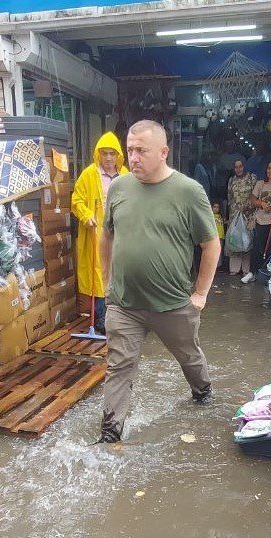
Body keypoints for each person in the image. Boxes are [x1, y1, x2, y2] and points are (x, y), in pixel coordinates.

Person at [97, 120, 220, 444]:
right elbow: (106, 236)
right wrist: (107, 283)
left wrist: (200, 294)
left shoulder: (188, 192)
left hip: (173, 303)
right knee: (119, 366)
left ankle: (203, 392)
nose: (133, 157)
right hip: (125, 304)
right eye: (130, 150)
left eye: (141, 151)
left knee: (189, 356)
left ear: (163, 152)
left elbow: (211, 244)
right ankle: (110, 433)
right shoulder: (119, 188)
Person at [72, 132, 128, 329]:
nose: (109, 158)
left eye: (112, 154)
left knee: (121, 270)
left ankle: (123, 316)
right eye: (104, 154)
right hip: (97, 233)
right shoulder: (89, 174)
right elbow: (76, 200)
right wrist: (86, 215)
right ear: (98, 155)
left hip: (122, 233)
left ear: (118, 155)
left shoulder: (126, 176)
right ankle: (102, 319)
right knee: (100, 272)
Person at [250, 160, 271, 282]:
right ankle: (252, 272)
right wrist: (261, 203)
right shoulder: (260, 184)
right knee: (257, 248)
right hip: (260, 220)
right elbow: (252, 199)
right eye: (269, 168)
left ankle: (269, 275)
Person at [225, 159, 257, 279]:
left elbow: (255, 195)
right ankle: (234, 269)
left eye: (241, 166)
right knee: (234, 239)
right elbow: (229, 198)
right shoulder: (231, 180)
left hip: (248, 214)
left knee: (246, 240)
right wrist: (230, 214)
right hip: (235, 214)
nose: (238, 169)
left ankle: (246, 270)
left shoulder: (252, 178)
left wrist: (248, 207)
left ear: (245, 166)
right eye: (236, 167)